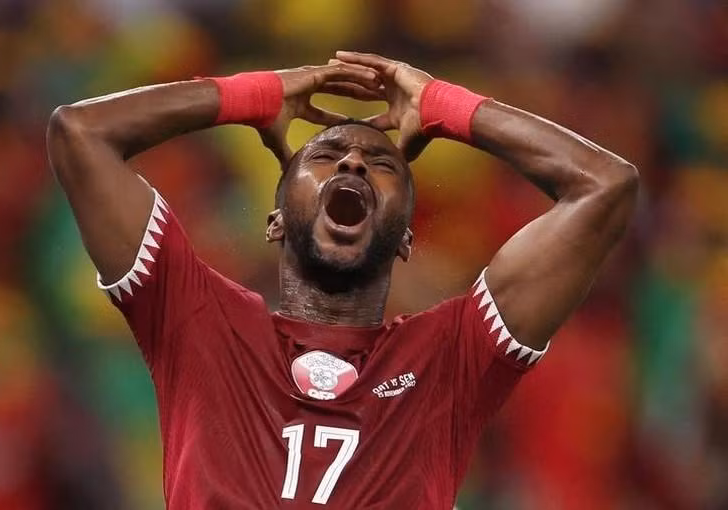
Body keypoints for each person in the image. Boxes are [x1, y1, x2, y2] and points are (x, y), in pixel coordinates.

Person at [46, 51, 638, 509]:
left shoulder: (453, 355)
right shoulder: (195, 318)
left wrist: (442, 104)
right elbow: (81, 134)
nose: (353, 162)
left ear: (405, 236)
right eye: (324, 157)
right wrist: (254, 93)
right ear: (275, 219)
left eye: (382, 165)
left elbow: (605, 186)